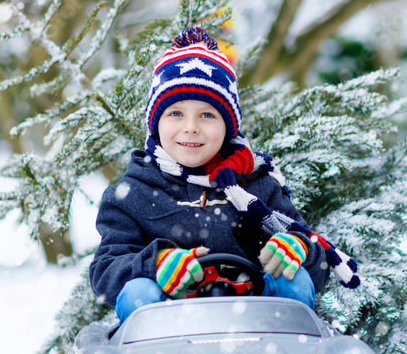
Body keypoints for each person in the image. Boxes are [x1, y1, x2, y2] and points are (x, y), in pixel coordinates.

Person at [89, 26, 358, 324]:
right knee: (138, 292)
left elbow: (316, 266)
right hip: (169, 337)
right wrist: (153, 263)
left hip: (256, 327)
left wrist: (299, 249)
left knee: (294, 279)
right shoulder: (132, 194)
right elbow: (105, 271)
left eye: (207, 115)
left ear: (228, 127)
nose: (191, 127)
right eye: (175, 113)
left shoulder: (257, 187)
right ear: (156, 123)